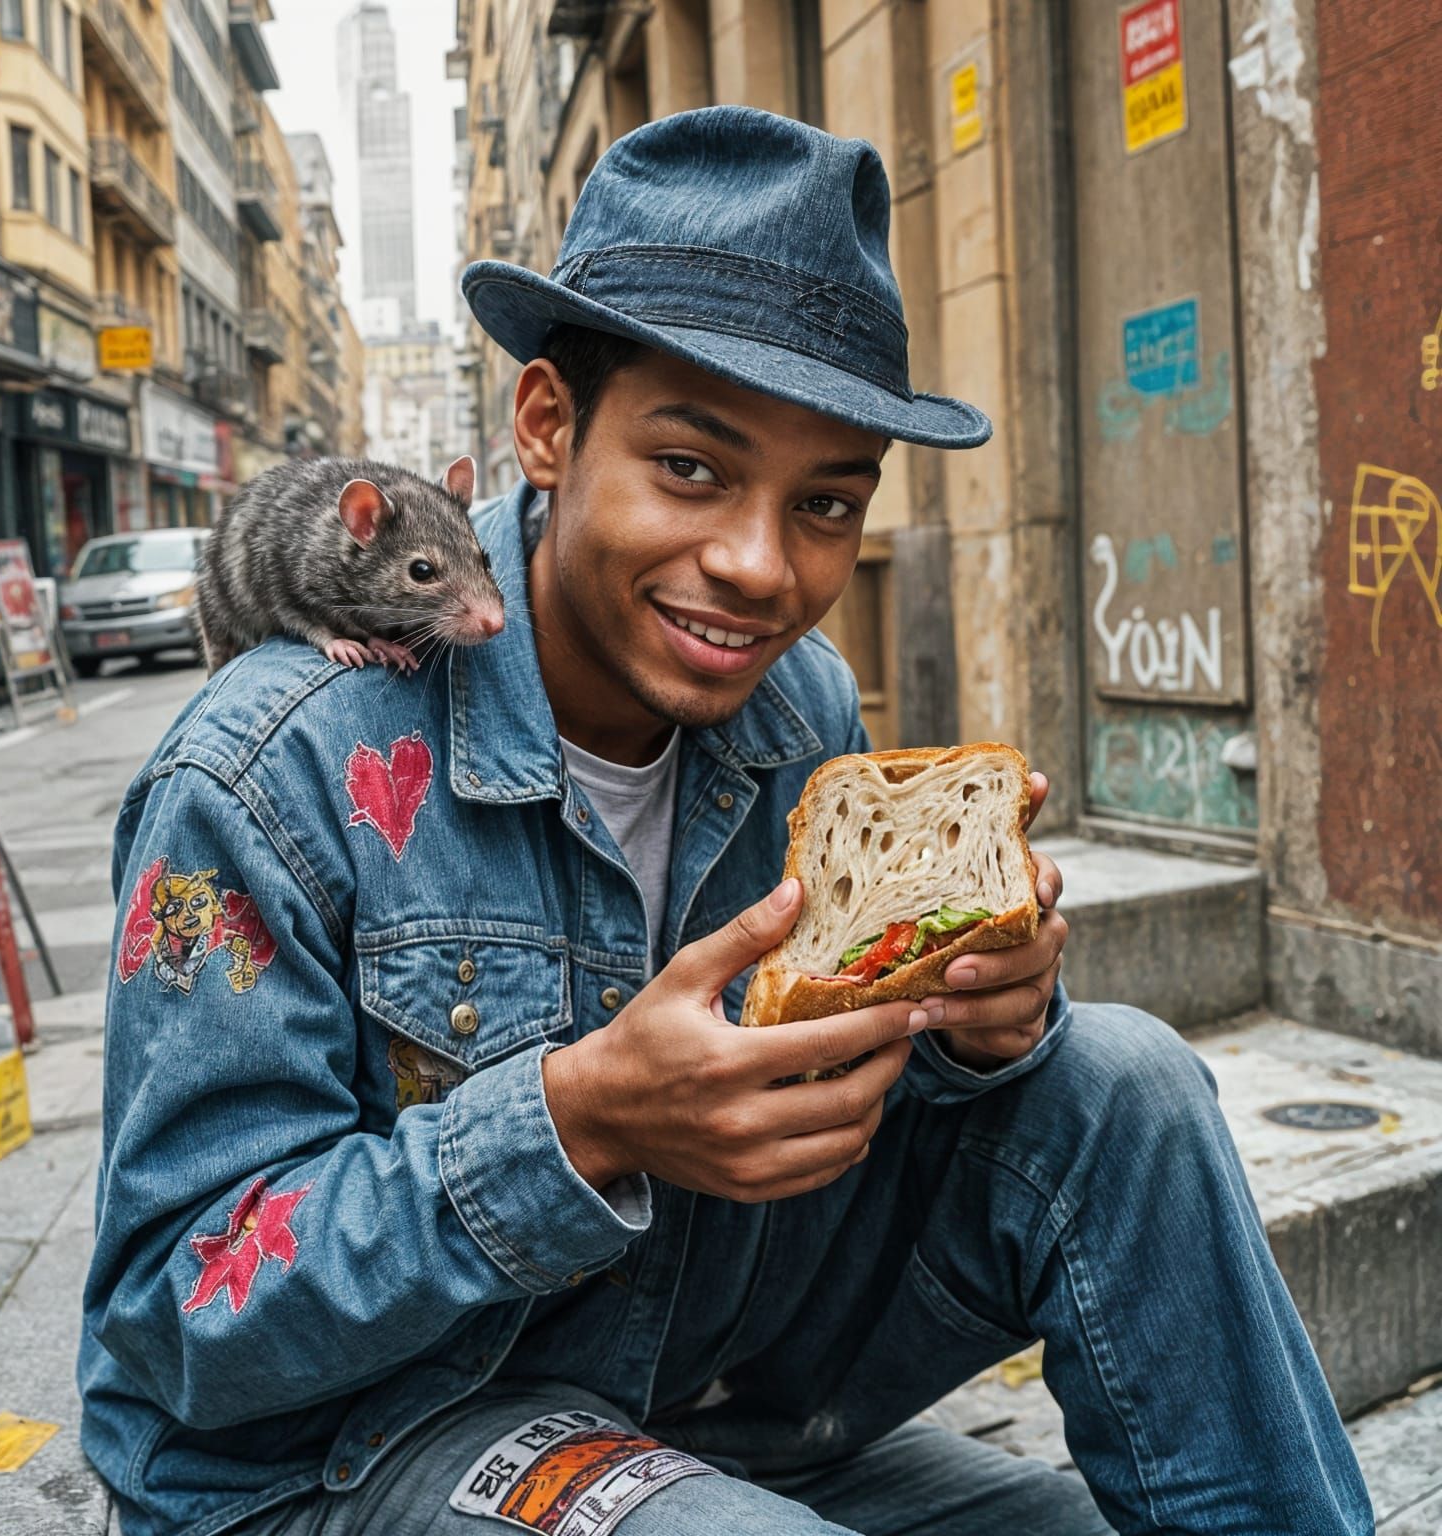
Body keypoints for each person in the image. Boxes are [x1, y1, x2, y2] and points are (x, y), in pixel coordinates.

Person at [80, 107, 1373, 1536]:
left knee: (1118, 1078)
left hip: (711, 1399)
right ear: (549, 426)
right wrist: (578, 1123)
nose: (760, 569)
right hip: (346, 1455)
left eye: (826, 502)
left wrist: (976, 1026)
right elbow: (174, 1313)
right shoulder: (269, 771)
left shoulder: (797, 708)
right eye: (693, 469)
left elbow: (852, 1087)